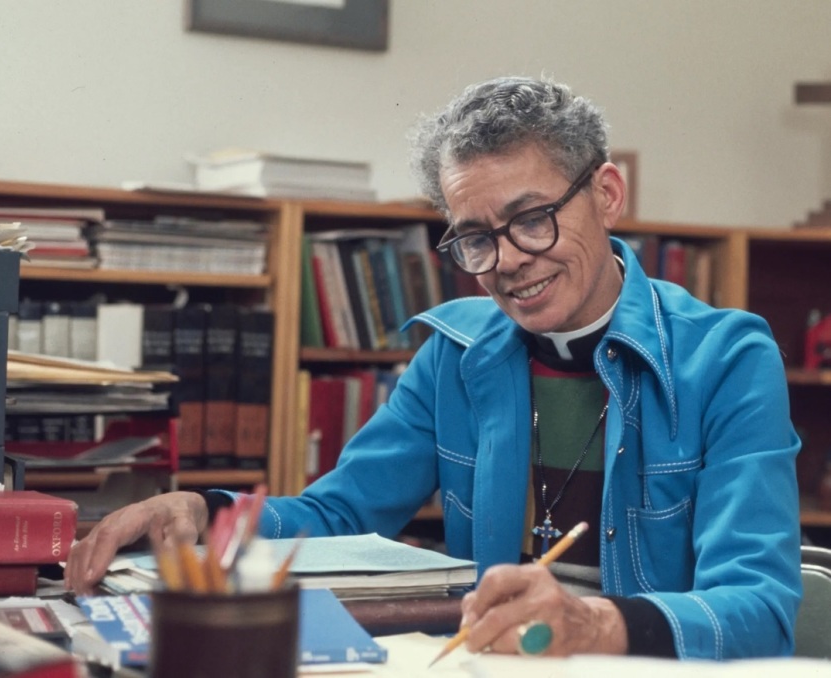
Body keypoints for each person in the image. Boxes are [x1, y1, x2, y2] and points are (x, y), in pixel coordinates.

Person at [65, 75, 802, 660]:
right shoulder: (455, 355)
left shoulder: (728, 358)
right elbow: (340, 515)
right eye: (475, 238)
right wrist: (207, 512)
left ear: (606, 196)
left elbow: (760, 608)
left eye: (532, 218)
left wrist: (591, 624)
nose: (508, 261)